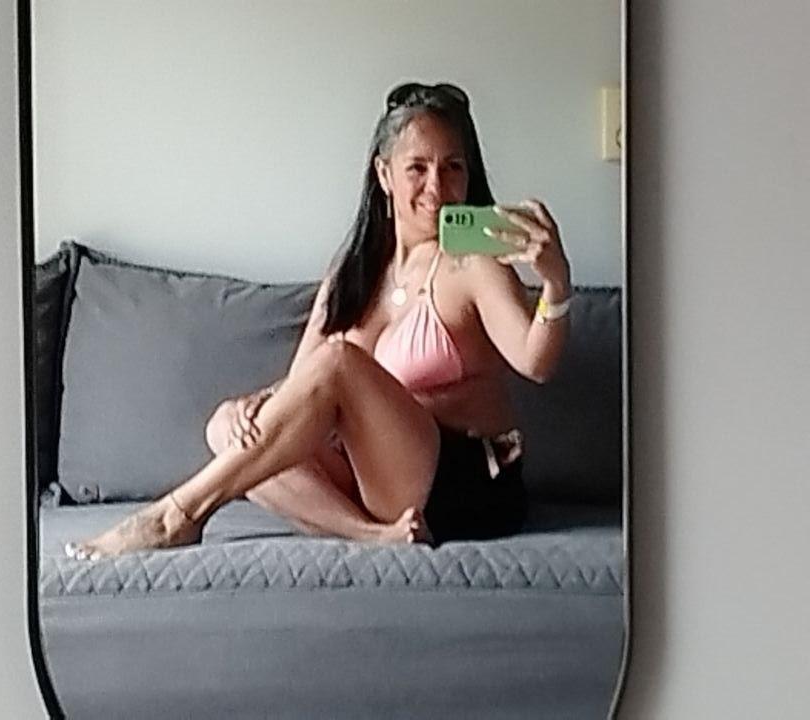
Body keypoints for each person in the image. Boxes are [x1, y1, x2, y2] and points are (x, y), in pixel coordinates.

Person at [65, 82, 572, 560]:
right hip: (384, 485)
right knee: (226, 428)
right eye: (417, 167)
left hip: (468, 484)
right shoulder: (354, 272)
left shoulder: (474, 266)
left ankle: (177, 515)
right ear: (384, 175)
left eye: (452, 167)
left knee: (339, 361)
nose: (436, 186)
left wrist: (555, 282)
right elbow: (303, 381)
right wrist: (256, 404)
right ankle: (373, 534)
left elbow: (536, 361)